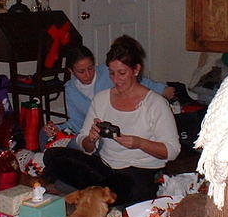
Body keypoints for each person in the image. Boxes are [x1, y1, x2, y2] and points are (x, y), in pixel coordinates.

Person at [42, 35, 181, 207]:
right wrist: (90, 139)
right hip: (106, 168)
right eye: (112, 73)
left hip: (140, 171)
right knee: (52, 156)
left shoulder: (155, 103)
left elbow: (172, 150)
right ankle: (100, 195)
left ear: (136, 70)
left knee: (131, 187)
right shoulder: (101, 99)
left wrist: (139, 143)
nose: (116, 80)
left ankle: (89, 193)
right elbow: (84, 143)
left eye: (122, 73)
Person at [41, 44, 174, 148]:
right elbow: (76, 122)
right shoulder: (70, 89)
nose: (88, 74)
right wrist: (57, 128)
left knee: (73, 148)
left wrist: (163, 89)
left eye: (90, 68)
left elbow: (139, 81)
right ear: (71, 71)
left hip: (113, 131)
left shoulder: (108, 72)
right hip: (91, 133)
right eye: (81, 71)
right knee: (44, 135)